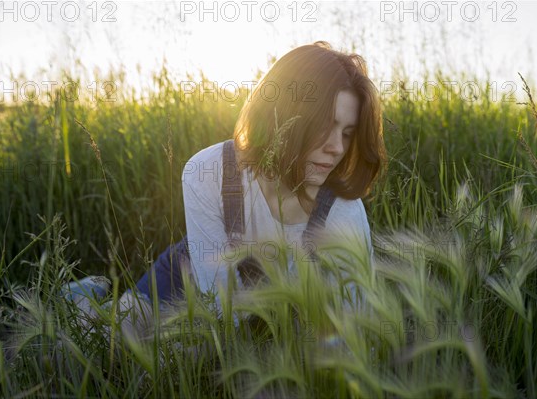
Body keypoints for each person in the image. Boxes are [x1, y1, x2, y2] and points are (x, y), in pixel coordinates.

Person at [64, 41, 387, 339]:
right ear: (284, 118)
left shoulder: (343, 212)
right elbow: (217, 311)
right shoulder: (209, 171)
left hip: (280, 313)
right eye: (323, 127)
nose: (336, 148)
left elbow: (353, 326)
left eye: (348, 133)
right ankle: (80, 298)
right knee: (99, 344)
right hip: (189, 277)